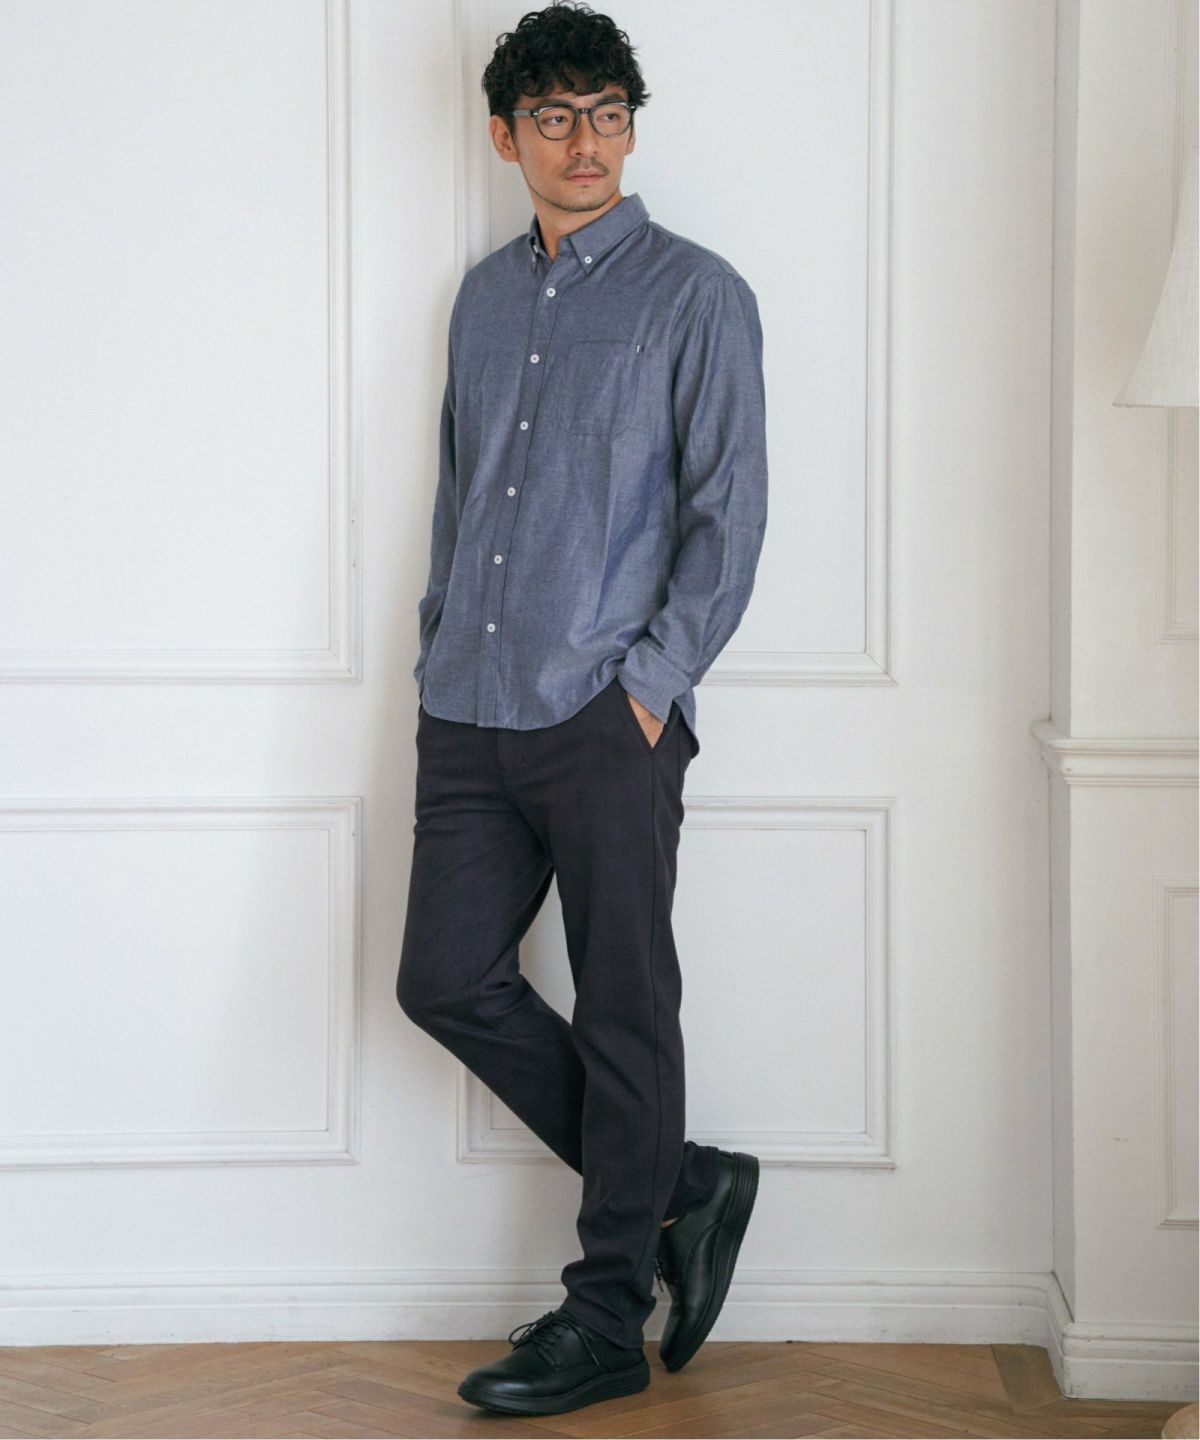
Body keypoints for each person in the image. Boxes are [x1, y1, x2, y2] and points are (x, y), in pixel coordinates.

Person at [396, 0, 768, 1416]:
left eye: (608, 114)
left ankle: (606, 1317)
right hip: (468, 708)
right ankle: (684, 1183)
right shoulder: (484, 298)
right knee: (444, 980)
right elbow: (459, 492)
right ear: (508, 137)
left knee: (625, 1010)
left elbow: (728, 515)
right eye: (555, 117)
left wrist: (651, 690)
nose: (587, 143)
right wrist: (438, 648)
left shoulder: (697, 295)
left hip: (607, 715)